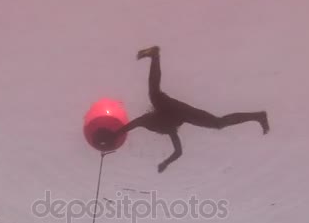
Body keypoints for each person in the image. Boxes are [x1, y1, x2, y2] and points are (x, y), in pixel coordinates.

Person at [112, 46, 270, 173]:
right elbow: (132, 126)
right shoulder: (154, 124)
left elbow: (178, 152)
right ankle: (155, 55)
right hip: (175, 109)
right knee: (154, 92)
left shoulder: (168, 129)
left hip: (181, 112)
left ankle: (258, 116)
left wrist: (166, 163)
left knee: (218, 123)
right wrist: (117, 133)